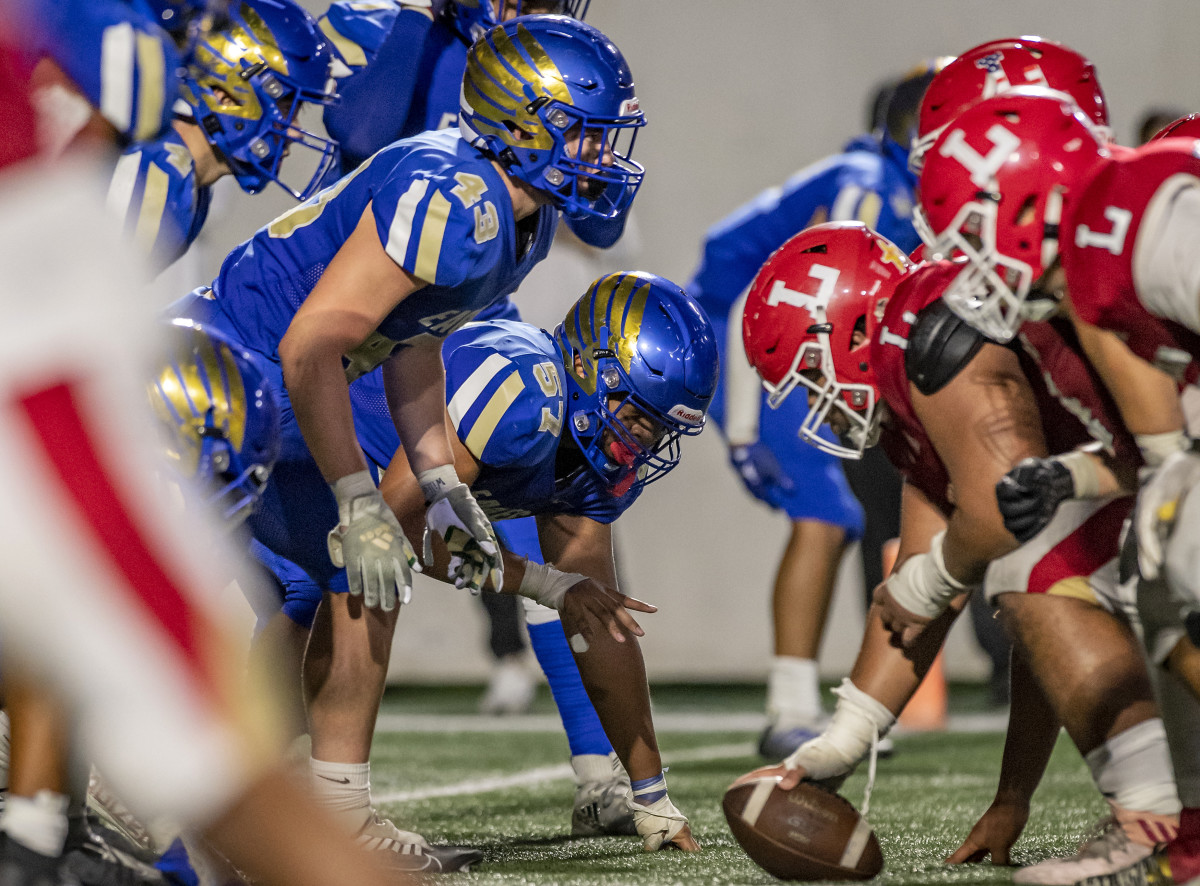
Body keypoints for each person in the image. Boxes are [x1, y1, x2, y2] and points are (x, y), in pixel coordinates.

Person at [170, 13, 648, 870]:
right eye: (583, 132)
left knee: (349, 577)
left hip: (281, 385)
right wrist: (358, 495)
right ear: (521, 123)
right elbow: (311, 342)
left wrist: (436, 478)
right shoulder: (454, 195)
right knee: (135, 593)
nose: (601, 156)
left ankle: (290, 815)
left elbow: (415, 333)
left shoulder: (520, 219)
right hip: (217, 380)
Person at [0, 36, 411, 886]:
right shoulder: (144, 179)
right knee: (108, 615)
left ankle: (43, 828)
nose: (290, 122)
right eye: (278, 97)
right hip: (45, 381)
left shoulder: (155, 178)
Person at [737, 222, 1181, 885]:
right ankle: (1168, 824)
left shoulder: (928, 331)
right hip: (1151, 475)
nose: (811, 401)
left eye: (807, 373)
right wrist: (846, 741)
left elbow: (1002, 523)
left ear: (853, 333)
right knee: (1029, 566)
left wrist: (932, 580)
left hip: (1177, 464)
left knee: (1021, 555)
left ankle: (1158, 827)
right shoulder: (906, 373)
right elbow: (948, 597)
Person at [917, 87, 1200, 886]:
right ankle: (1188, 842)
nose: (969, 254)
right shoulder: (1086, 268)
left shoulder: (1139, 214)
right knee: (1158, 553)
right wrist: (1068, 474)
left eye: (975, 223)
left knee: (1176, 535)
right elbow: (1158, 446)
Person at [686, 60, 945, 760]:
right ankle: (790, 709)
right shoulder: (868, 190)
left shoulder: (887, 184)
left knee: (841, 516)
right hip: (738, 333)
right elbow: (772, 301)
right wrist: (743, 430)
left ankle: (802, 703)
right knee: (828, 514)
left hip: (773, 333)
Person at [108, 0, 339, 270]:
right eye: (286, 106)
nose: (294, 131)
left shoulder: (193, 185)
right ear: (225, 94)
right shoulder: (153, 173)